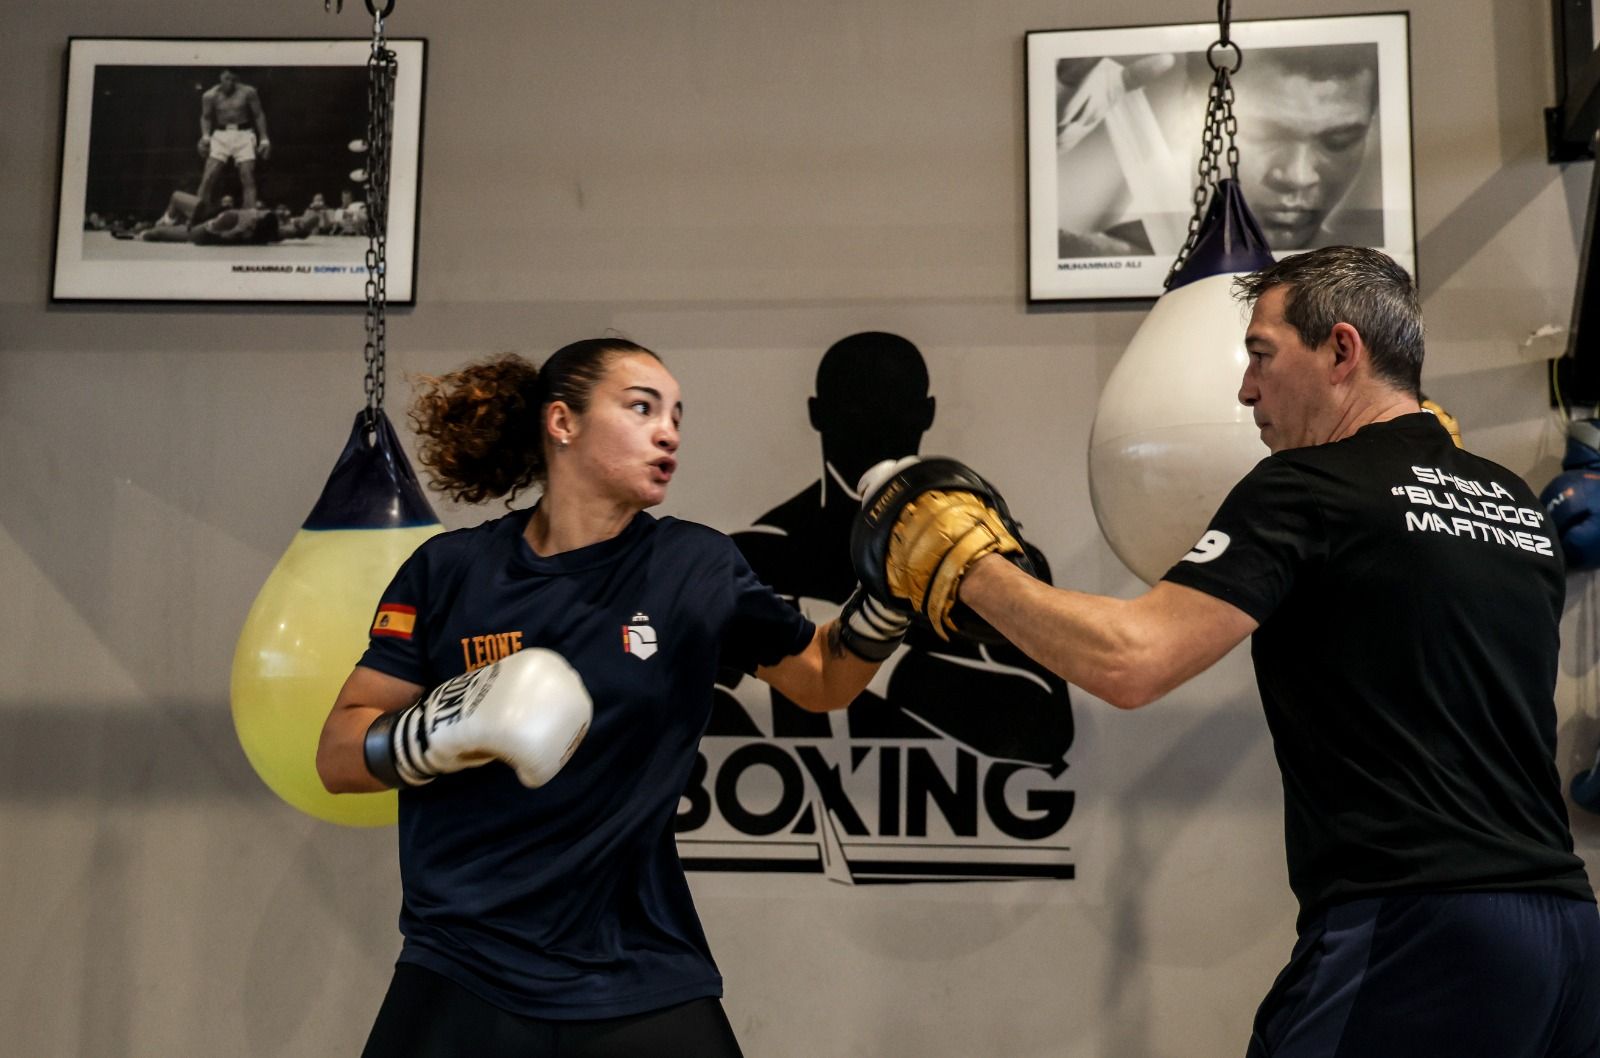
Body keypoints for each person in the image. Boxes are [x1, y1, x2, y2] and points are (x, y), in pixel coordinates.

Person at [861, 246, 1600, 1054]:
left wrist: (964, 564)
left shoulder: (1308, 487)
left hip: (1418, 930)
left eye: (1261, 355)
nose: (1246, 389)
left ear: (1341, 351)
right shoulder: (1513, 506)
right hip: (1567, 941)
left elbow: (1132, 661)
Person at [315, 338, 905, 1058]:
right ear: (562, 422)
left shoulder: (693, 566)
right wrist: (439, 728)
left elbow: (823, 679)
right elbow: (337, 756)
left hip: (638, 972)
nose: (669, 432)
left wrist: (889, 602)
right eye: (641, 408)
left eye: (677, 415)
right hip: (462, 964)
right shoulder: (449, 571)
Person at [711, 331, 1073, 771]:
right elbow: (700, 701)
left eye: (894, 404)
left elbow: (1044, 731)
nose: (874, 422)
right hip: (785, 796)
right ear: (817, 414)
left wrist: (864, 645)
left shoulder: (994, 558)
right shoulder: (757, 553)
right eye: (855, 404)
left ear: (926, 413)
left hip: (946, 803)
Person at [1057, 44, 1381, 258]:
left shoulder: (1379, 274)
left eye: (1339, 141)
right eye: (1262, 134)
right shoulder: (1097, 258)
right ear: (1192, 112)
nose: (1298, 176)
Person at [197, 69, 270, 211]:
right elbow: (206, 117)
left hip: (244, 134)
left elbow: (258, 114)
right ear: (220, 78)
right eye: (227, 79)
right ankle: (198, 215)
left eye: (233, 79)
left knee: (247, 176)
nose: (230, 82)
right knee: (208, 177)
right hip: (221, 135)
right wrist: (205, 136)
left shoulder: (248, 92)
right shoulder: (209, 95)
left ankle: (249, 216)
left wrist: (264, 138)